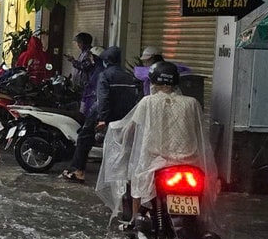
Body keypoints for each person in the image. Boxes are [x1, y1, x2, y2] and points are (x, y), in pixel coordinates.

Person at [97, 59, 218, 228]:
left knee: (137, 181)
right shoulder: (192, 103)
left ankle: (133, 222)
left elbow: (129, 128)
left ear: (152, 82)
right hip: (189, 162)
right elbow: (200, 135)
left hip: (155, 162)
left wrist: (117, 136)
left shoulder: (147, 102)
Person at [61, 46, 139, 183]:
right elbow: (134, 97)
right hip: (124, 115)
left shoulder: (105, 75)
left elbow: (103, 97)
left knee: (84, 137)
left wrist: (102, 118)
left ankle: (78, 171)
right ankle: (120, 177)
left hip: (104, 112)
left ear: (106, 60)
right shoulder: (128, 76)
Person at [67, 33, 98, 116]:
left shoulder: (89, 53)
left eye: (79, 42)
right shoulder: (83, 53)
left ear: (84, 43)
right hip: (80, 86)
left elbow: (85, 66)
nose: (78, 45)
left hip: (86, 87)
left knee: (84, 109)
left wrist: (73, 61)